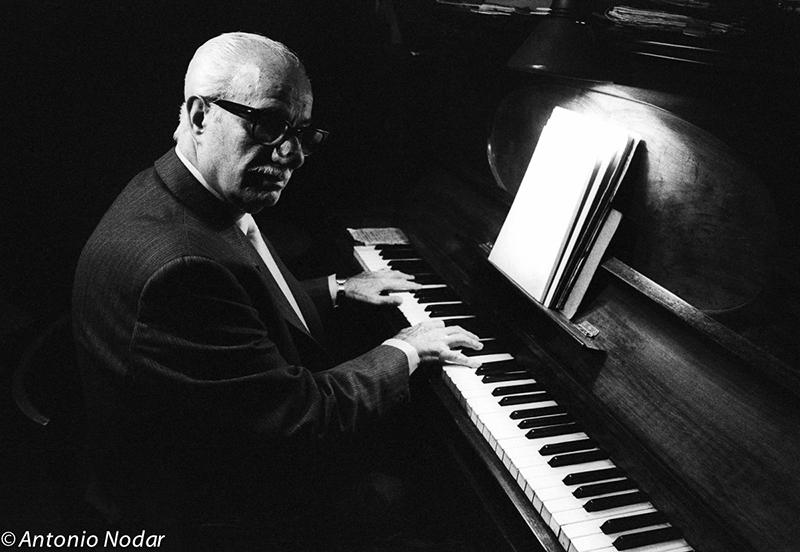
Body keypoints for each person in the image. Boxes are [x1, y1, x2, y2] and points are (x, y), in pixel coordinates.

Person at [72, 31, 483, 548]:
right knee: (440, 508)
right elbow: (301, 414)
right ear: (199, 116)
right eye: (268, 124)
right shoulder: (179, 268)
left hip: (206, 451)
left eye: (303, 134)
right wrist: (406, 348)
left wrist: (334, 289)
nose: (292, 155)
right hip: (209, 515)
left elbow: (234, 314)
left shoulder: (180, 195)